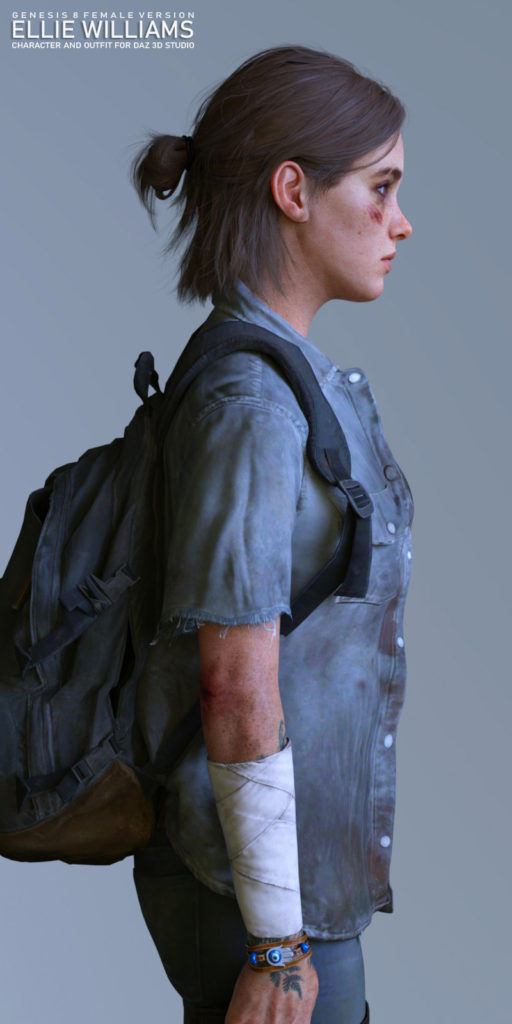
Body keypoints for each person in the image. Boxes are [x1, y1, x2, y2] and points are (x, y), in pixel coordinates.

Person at [130, 44, 413, 1024]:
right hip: (255, 901)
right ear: (293, 191)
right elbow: (234, 681)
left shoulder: (282, 377)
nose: (400, 221)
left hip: (287, 887)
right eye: (380, 188)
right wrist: (278, 945)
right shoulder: (251, 402)